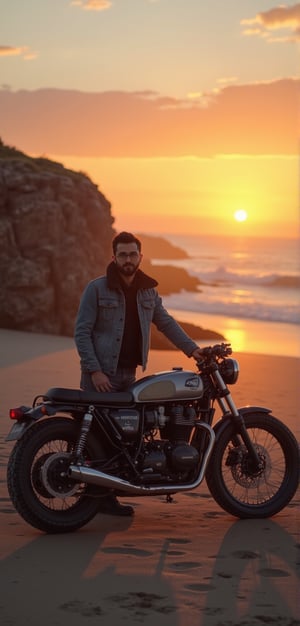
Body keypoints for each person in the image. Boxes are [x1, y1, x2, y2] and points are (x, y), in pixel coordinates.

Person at [74, 231, 203, 516]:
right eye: (123, 254)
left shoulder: (148, 292)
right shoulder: (96, 289)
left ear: (140, 257)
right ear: (114, 257)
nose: (128, 259)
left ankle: (107, 499)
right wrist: (94, 371)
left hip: (128, 376)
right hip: (100, 376)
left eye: (133, 254)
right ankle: (98, 499)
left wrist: (193, 350)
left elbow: (166, 323)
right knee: (98, 440)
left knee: (124, 440)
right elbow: (81, 332)